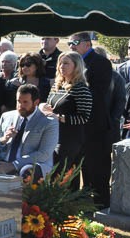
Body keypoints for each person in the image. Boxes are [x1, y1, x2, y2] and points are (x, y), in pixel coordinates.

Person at [68, 32, 113, 206]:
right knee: (72, 171)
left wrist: (73, 90)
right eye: (69, 43)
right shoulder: (69, 62)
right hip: (74, 127)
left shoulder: (101, 63)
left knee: (96, 172)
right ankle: (74, 206)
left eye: (75, 42)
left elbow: (99, 92)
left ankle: (100, 207)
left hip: (94, 127)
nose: (71, 46)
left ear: (88, 44)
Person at [39, 51, 92, 190]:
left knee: (61, 175)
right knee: (54, 174)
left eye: (66, 63)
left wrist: (59, 118)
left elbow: (84, 117)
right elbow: (49, 105)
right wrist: (43, 107)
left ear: (76, 66)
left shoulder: (81, 89)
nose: (62, 66)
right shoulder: (57, 86)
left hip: (70, 139)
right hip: (53, 135)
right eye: (60, 63)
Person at [0, 83, 58, 178]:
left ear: (36, 102)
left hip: (30, 164)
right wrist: (4, 139)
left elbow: (44, 154)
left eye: (25, 102)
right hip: (4, 160)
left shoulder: (48, 122)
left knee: (27, 172)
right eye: (18, 101)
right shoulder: (6, 116)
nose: (20, 106)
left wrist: (14, 165)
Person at [93, 45, 128, 144]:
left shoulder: (115, 77)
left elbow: (120, 101)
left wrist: (112, 121)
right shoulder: (84, 75)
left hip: (108, 126)